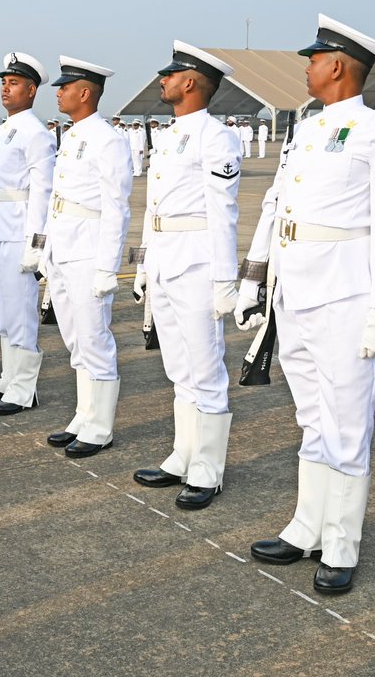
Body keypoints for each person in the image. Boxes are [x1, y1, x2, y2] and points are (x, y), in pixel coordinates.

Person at [236, 14, 375, 594]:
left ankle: (341, 543)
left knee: (348, 422)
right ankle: (306, 526)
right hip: (297, 289)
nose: (307, 68)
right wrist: (256, 279)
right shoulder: (306, 130)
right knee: (311, 416)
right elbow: (275, 208)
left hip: (345, 292)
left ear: (336, 65)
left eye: (313, 59)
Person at [131, 40, 241, 509]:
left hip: (197, 262)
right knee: (179, 368)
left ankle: (207, 469)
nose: (163, 80)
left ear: (191, 81)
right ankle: (183, 454)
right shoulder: (172, 133)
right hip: (164, 258)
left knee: (205, 368)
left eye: (170, 75)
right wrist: (143, 261)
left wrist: (224, 278)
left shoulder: (215, 137)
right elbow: (154, 206)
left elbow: (224, 212)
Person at [43, 56, 133, 457]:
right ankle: (84, 414)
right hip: (64, 247)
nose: (58, 92)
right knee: (75, 338)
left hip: (88, 250)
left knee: (95, 338)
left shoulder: (107, 138)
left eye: (65, 87)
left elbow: (117, 206)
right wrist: (46, 248)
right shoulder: (74, 135)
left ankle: (100, 427)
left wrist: (106, 267)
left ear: (85, 92)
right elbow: (58, 198)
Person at [0, 52, 56, 415]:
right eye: (4, 82)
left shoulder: (36, 133)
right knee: (2, 308)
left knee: (20, 309)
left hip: (18, 230)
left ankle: (24, 388)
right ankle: (9, 376)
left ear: (32, 89)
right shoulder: (4, 130)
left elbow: (42, 190)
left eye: (14, 83)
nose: (6, 88)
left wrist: (36, 243)